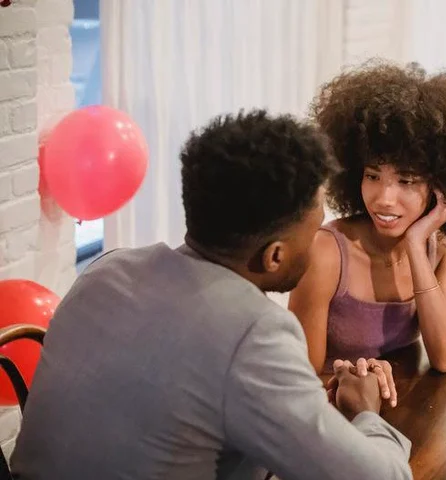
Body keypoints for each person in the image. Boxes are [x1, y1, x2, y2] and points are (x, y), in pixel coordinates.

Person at [11, 110, 412, 480]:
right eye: (314, 232)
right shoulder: (255, 333)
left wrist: (296, 404)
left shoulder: (106, 269)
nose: (320, 240)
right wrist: (366, 412)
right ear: (274, 256)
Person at [289, 60, 446, 378]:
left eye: (406, 181)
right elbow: (302, 382)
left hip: (399, 407)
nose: (384, 198)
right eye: (373, 175)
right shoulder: (325, 254)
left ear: (440, 187)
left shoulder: (439, 249)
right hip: (336, 412)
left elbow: (444, 357)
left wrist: (417, 246)